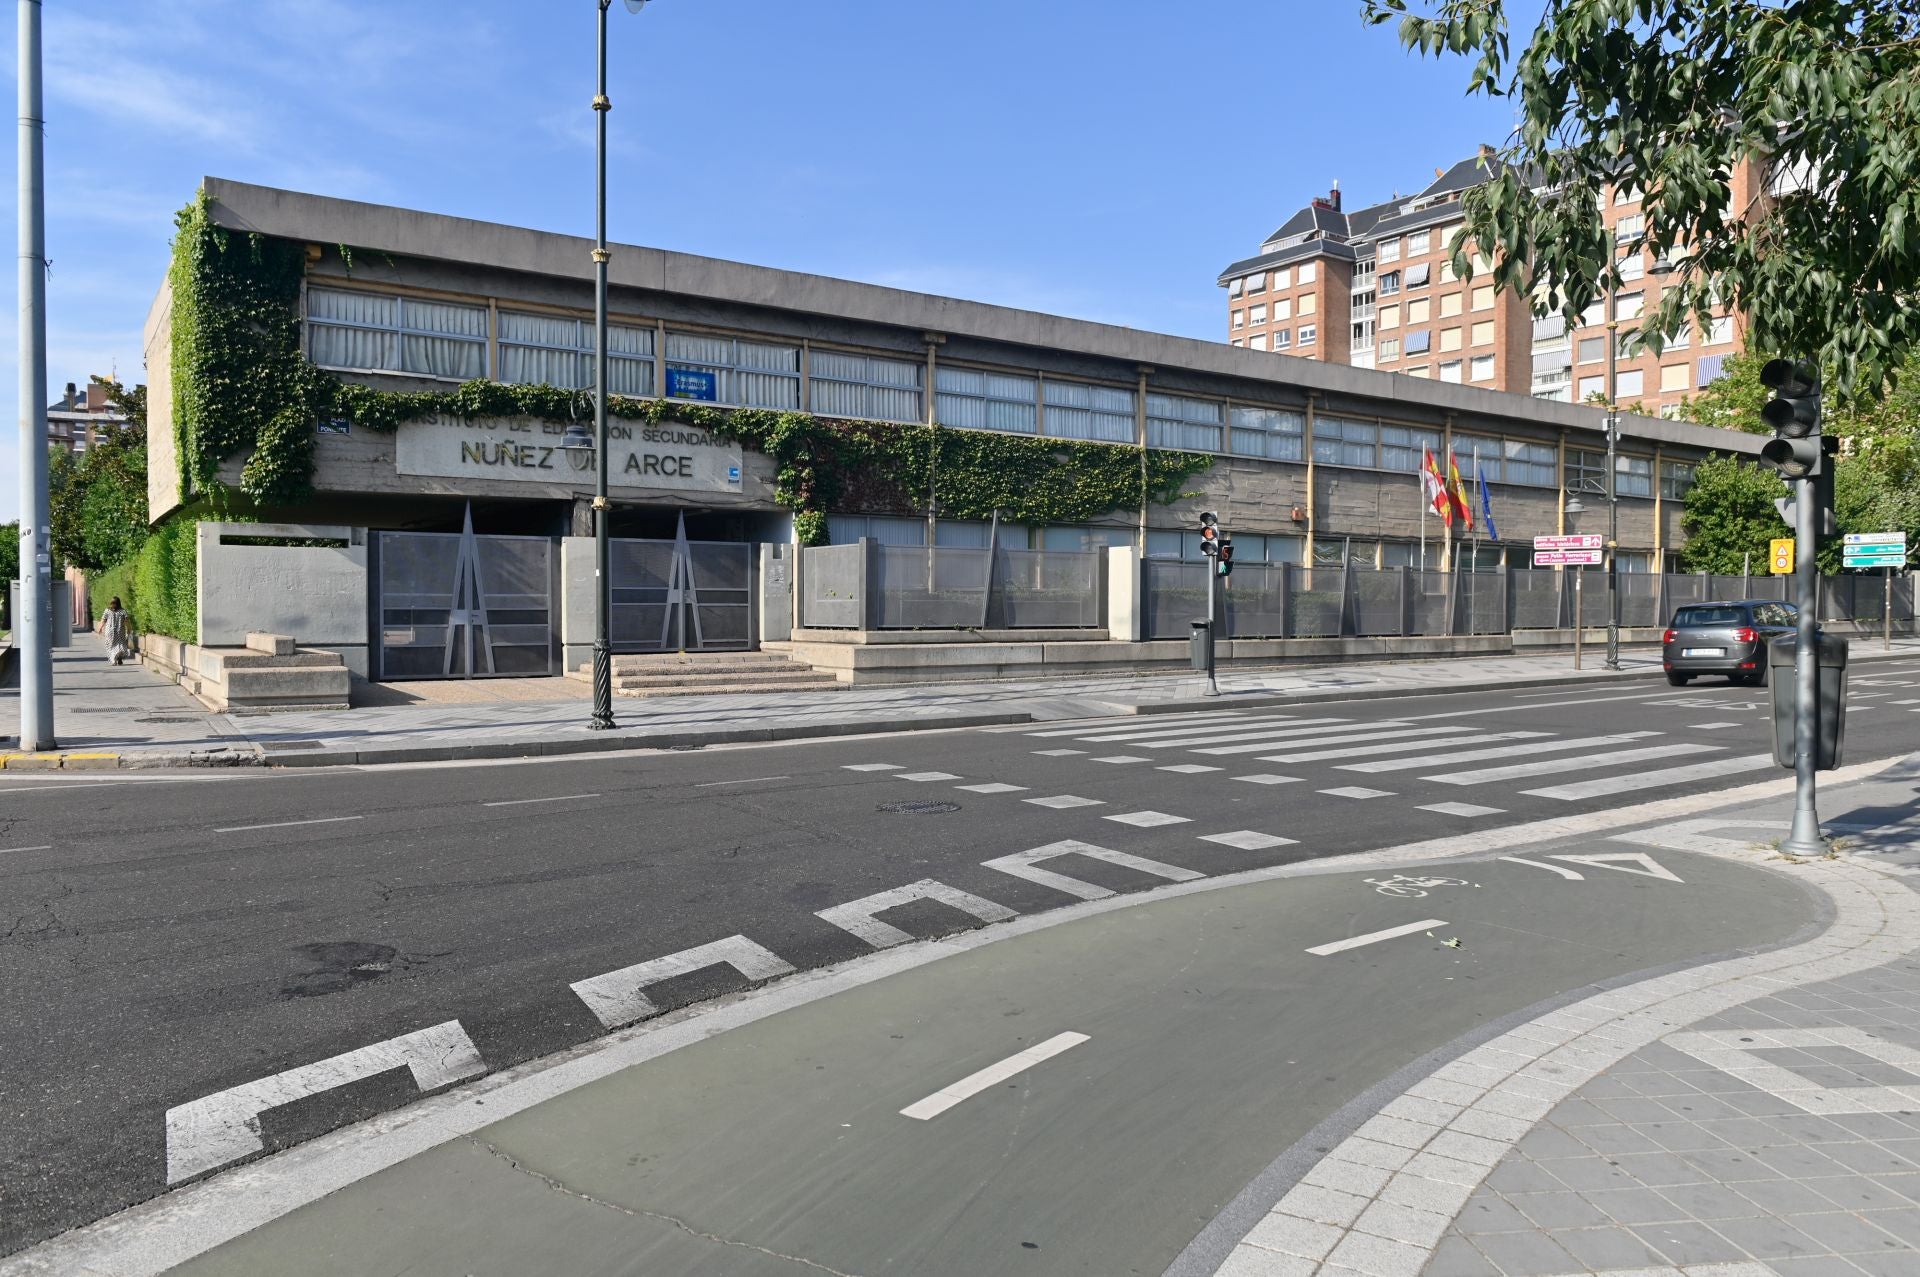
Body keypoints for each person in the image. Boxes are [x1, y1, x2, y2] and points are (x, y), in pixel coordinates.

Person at [100, 596, 132, 666]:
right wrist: (129, 629)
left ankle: (113, 660)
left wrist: (100, 628)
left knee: (111, 646)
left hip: (109, 631)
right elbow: (127, 621)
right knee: (120, 645)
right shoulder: (123, 611)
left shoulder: (107, 610)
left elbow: (103, 620)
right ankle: (119, 658)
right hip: (120, 631)